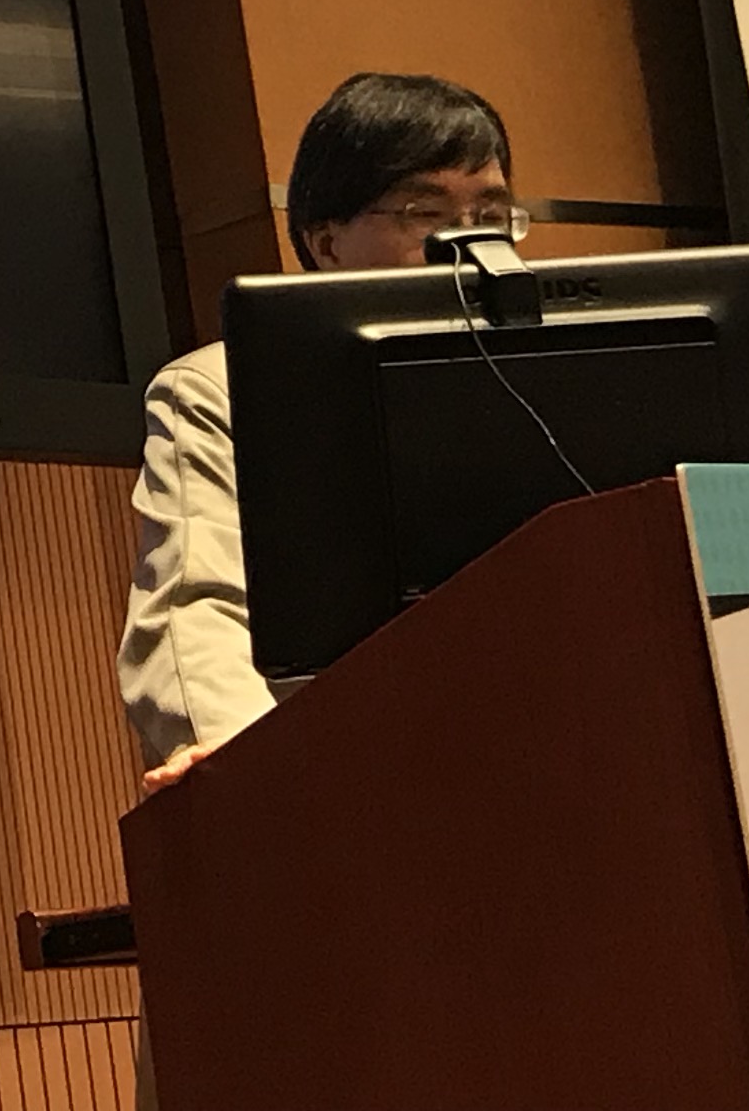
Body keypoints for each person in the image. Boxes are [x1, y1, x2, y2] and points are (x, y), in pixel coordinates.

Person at [118, 70, 516, 785]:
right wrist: (258, 768)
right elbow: (199, 606)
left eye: (490, 214)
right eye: (426, 213)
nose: (468, 242)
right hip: (349, 772)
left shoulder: (564, 367)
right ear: (326, 243)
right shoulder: (224, 388)